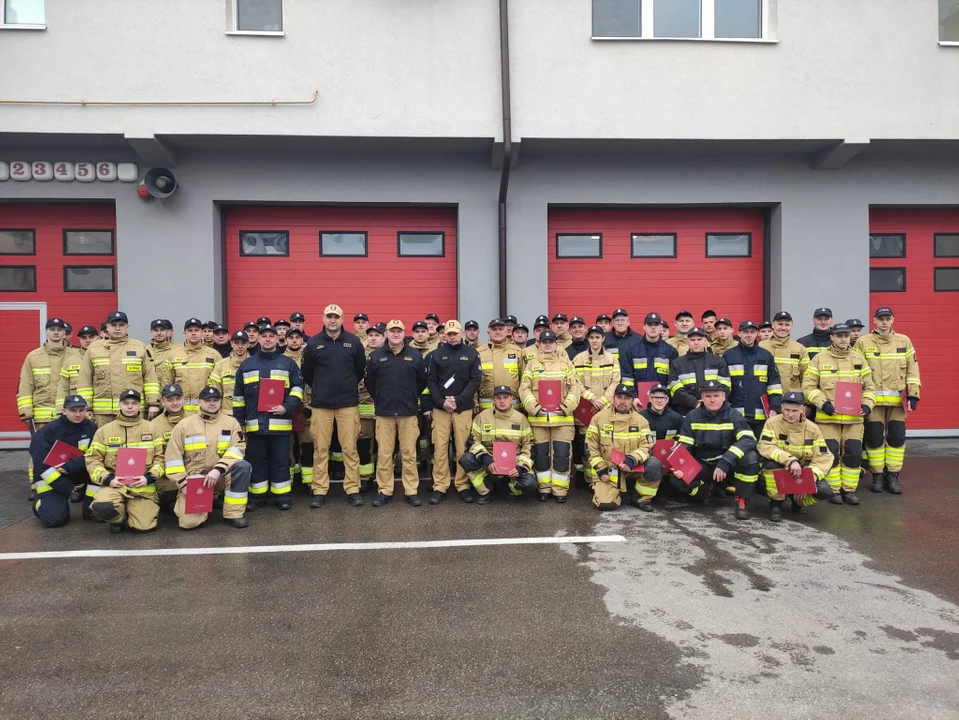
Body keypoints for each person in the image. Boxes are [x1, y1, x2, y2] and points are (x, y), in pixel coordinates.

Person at [802, 322, 876, 505]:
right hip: (828, 419)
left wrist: (867, 406)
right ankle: (834, 490)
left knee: (853, 453)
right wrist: (823, 404)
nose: (843, 339)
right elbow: (808, 386)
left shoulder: (859, 359)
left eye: (846, 335)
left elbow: (870, 387)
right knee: (831, 453)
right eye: (839, 335)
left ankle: (849, 490)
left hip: (854, 419)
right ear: (832, 337)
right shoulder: (819, 359)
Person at [301, 304, 367, 508]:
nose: (332, 320)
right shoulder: (313, 344)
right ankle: (319, 490)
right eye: (329, 316)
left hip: (347, 404)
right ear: (323, 318)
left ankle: (353, 489)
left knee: (349, 448)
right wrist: (322, 388)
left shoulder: (353, 342)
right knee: (320, 449)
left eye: (336, 317)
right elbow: (308, 373)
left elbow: (359, 370)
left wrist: (345, 387)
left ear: (342, 319)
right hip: (321, 405)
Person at [234, 324, 303, 510]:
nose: (267, 339)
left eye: (270, 336)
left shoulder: (288, 363)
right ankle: (258, 497)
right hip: (255, 426)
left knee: (281, 462)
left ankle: (282, 497)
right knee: (257, 463)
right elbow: (239, 397)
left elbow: (298, 389)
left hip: (280, 425)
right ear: (257, 339)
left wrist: (286, 407)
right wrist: (240, 422)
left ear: (276, 339)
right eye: (263, 336)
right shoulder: (247, 364)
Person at [164, 385, 251, 529]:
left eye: (215, 400)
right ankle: (202, 500)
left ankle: (233, 515)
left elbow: (238, 449)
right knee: (188, 524)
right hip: (195, 481)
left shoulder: (231, 423)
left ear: (220, 401)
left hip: (220, 476)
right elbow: (173, 459)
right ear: (199, 401)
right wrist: (183, 484)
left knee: (243, 466)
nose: (212, 403)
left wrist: (218, 469)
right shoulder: (184, 425)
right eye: (208, 400)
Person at [855, 307, 920, 494]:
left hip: (896, 403)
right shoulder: (862, 342)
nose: (884, 322)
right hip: (872, 402)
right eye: (880, 319)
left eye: (887, 319)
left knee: (897, 438)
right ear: (874, 320)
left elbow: (912, 369)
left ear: (893, 320)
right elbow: (855, 369)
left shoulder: (904, 341)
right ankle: (877, 476)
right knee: (874, 439)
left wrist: (913, 394)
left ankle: (892, 476)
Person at [673, 380, 760, 519]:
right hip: (704, 465)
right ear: (702, 397)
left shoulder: (733, 415)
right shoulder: (692, 416)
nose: (712, 400)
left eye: (716, 396)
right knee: (677, 479)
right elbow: (685, 446)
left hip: (728, 466)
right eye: (708, 396)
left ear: (724, 396)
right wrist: (681, 466)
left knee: (751, 458)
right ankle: (704, 490)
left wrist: (726, 461)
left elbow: (748, 439)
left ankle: (742, 499)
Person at [366, 320, 429, 507]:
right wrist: (381, 397)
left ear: (404, 334)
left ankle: (411, 491)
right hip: (384, 413)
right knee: (385, 453)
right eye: (392, 331)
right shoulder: (376, 356)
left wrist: (409, 397)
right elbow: (370, 383)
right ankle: (385, 490)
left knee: (409, 454)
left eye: (399, 331)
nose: (395, 334)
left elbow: (421, 382)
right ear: (386, 334)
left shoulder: (415, 355)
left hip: (408, 412)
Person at [86, 389, 165, 533]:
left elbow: (161, 459)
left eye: (134, 403)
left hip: (143, 487)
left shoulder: (152, 428)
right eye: (126, 403)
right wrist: (108, 479)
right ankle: (118, 518)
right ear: (119, 405)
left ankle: (134, 513)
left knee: (143, 527)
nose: (130, 407)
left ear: (140, 406)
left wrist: (149, 477)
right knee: (103, 505)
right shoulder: (104, 431)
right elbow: (93, 461)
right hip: (115, 485)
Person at [520, 330, 582, 502]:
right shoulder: (531, 364)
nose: (547, 344)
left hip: (562, 419)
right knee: (541, 455)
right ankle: (544, 488)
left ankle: (560, 490)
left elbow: (575, 388)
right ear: (539, 343)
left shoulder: (566, 364)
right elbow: (524, 388)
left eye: (551, 341)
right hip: (539, 419)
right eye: (544, 341)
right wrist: (535, 407)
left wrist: (566, 407)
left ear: (556, 344)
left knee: (562, 456)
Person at [426, 321, 482, 504]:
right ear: (444, 334)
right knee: (440, 449)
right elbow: (431, 381)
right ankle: (440, 486)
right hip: (441, 409)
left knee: (462, 449)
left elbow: (475, 381)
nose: (452, 337)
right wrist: (442, 402)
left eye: (455, 333)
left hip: (462, 409)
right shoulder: (436, 355)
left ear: (462, 333)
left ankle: (462, 484)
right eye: (449, 334)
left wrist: (457, 400)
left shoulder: (472, 353)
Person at [757, 391, 834, 522]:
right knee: (770, 465)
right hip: (782, 467)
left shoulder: (813, 428)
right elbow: (765, 446)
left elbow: (824, 457)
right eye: (787, 410)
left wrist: (809, 480)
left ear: (802, 409)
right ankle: (776, 503)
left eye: (794, 410)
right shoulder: (772, 423)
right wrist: (790, 461)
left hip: (803, 471)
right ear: (781, 408)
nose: (790, 414)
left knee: (825, 491)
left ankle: (798, 502)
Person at [78, 311, 160, 427]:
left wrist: (153, 403)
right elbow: (84, 381)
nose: (117, 328)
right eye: (114, 325)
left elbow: (150, 378)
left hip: (134, 410)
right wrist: (86, 407)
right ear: (107, 327)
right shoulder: (94, 349)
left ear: (127, 327)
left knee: (134, 442)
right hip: (103, 414)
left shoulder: (139, 347)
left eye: (121, 325)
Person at [18, 317, 70, 498]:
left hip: (66, 416)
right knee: (38, 451)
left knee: (66, 452)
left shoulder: (74, 355)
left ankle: (65, 485)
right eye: (52, 329)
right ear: (46, 332)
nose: (56, 332)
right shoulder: (33, 357)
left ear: (64, 333)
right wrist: (26, 413)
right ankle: (37, 485)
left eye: (59, 329)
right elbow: (25, 386)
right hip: (41, 416)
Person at [459, 386, 536, 503]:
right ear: (493, 400)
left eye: (505, 397)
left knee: (530, 484)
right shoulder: (482, 417)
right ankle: (487, 490)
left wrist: (520, 469)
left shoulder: (521, 419)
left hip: (513, 465)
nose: (502, 401)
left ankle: (508, 489)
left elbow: (529, 446)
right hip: (489, 463)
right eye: (498, 398)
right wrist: (486, 459)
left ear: (511, 399)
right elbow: (473, 441)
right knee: (466, 459)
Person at [28, 395, 96, 527]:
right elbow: (41, 466)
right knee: (55, 520)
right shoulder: (48, 432)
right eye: (73, 411)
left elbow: (95, 455)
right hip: (53, 477)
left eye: (81, 410)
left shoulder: (91, 427)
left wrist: (70, 466)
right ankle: (39, 503)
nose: (78, 414)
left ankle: (90, 508)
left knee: (97, 515)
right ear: (64, 411)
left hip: (78, 472)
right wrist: (67, 487)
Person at [586, 384, 655, 511]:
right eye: (619, 397)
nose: (622, 401)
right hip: (609, 470)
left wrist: (632, 459)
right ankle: (618, 492)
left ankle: (640, 498)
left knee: (654, 464)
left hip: (632, 467)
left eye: (627, 398)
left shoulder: (641, 421)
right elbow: (590, 447)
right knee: (606, 505)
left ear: (632, 400)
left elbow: (648, 446)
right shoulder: (599, 418)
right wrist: (600, 469)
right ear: (613, 399)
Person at [572, 325, 620, 483]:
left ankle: (605, 478)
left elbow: (615, 382)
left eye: (597, 337)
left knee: (606, 445)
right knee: (588, 446)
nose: (594, 340)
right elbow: (574, 382)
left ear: (603, 338)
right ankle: (590, 480)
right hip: (586, 411)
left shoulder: (612, 359)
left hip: (606, 410)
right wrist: (592, 398)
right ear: (588, 339)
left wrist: (603, 401)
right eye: (591, 337)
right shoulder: (578, 359)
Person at [723, 320, 783, 438]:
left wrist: (775, 408)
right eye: (745, 332)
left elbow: (774, 385)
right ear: (739, 333)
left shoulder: (766, 356)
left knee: (761, 449)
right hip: (735, 416)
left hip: (760, 417)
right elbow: (723, 386)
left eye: (752, 332)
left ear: (757, 334)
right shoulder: (728, 355)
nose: (749, 335)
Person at [667, 327, 730, 414]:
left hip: (715, 411)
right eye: (692, 340)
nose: (696, 343)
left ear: (705, 341)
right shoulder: (677, 363)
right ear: (687, 342)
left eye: (699, 339)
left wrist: (708, 403)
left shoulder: (718, 361)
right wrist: (694, 403)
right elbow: (674, 388)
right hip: (686, 411)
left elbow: (725, 386)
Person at [283, 328, 313, 491]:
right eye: (291, 338)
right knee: (287, 448)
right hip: (287, 410)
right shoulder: (280, 360)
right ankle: (288, 482)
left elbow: (318, 383)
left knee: (308, 447)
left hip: (307, 408)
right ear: (285, 340)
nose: (294, 341)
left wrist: (310, 407)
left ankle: (309, 482)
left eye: (297, 338)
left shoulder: (310, 358)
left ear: (303, 340)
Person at [150, 383, 187, 510]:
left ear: (183, 398)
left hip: (193, 471)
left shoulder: (195, 418)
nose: (175, 403)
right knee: (169, 495)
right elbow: (155, 455)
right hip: (168, 475)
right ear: (162, 401)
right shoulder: (154, 425)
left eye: (178, 399)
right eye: (170, 400)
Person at [171, 317, 218, 414]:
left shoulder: (214, 355)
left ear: (202, 332)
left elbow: (219, 385)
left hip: (207, 411)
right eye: (190, 330)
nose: (193, 333)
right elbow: (167, 382)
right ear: (184, 333)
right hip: (180, 412)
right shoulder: (173, 355)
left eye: (196, 330)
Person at [357, 322, 384, 491]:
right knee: (363, 445)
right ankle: (365, 477)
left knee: (384, 446)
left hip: (384, 409)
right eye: (371, 335)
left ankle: (383, 478)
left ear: (384, 338)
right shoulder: (359, 356)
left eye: (377, 335)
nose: (373, 338)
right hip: (363, 408)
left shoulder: (388, 355)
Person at [621, 312, 677, 392]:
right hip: (637, 401)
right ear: (644, 327)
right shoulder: (631, 350)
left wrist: (666, 398)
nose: (653, 327)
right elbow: (627, 378)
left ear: (661, 328)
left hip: (662, 400)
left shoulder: (671, 351)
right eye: (650, 324)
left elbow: (672, 380)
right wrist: (633, 397)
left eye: (656, 324)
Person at [477, 318, 525, 412]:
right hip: (486, 408)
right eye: (494, 329)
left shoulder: (517, 352)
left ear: (507, 331)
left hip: (513, 407)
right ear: (488, 332)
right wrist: (475, 402)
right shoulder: (479, 352)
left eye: (500, 329)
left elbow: (524, 379)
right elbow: (473, 380)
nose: (497, 332)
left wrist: (523, 403)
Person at [760, 311, 809, 394]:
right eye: (780, 324)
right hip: (766, 397)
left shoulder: (799, 348)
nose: (783, 328)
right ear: (773, 325)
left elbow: (807, 379)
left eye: (787, 325)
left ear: (791, 326)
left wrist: (807, 404)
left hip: (792, 400)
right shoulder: (761, 346)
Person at [56, 324, 99, 412]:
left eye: (91, 337)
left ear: (98, 337)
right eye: (83, 337)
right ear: (79, 339)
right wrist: (60, 411)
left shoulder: (106, 357)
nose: (88, 340)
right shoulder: (70, 361)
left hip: (102, 411)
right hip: (77, 411)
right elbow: (63, 388)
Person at [209, 330, 250, 418]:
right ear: (231, 343)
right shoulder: (220, 365)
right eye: (236, 343)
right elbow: (215, 392)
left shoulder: (255, 364)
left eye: (243, 343)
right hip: (227, 415)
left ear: (248, 344)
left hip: (249, 414)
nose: (240, 346)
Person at [604, 308, 641, 377]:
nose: (620, 323)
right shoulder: (605, 339)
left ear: (628, 322)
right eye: (617, 320)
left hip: (631, 381)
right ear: (612, 323)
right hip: (610, 380)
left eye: (622, 320)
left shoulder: (638, 339)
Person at [147, 318, 181, 387]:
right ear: (151, 332)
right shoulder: (145, 350)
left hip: (172, 393)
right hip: (151, 392)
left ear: (167, 332)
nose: (159, 333)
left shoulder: (179, 349)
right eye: (156, 330)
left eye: (162, 330)